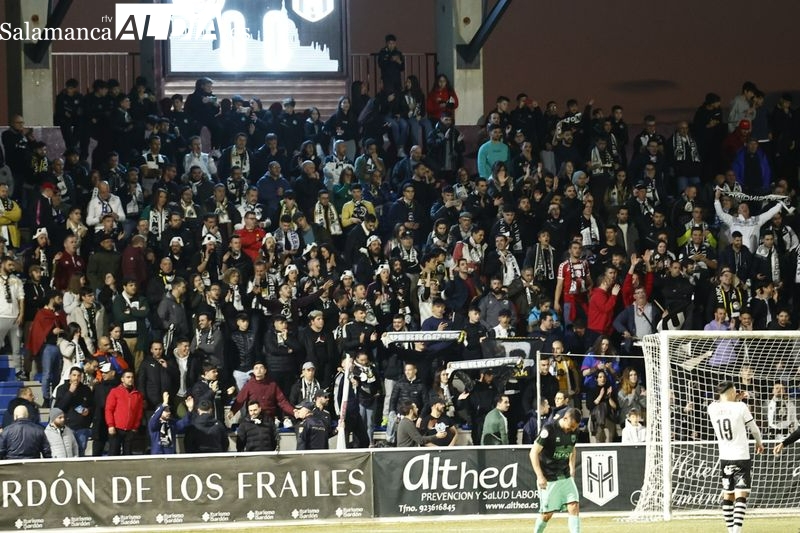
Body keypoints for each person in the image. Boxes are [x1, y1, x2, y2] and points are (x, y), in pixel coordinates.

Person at [707, 381, 764, 533]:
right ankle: (736, 531)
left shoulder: (711, 408)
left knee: (728, 495)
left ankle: (730, 530)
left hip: (725, 457)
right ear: (732, 392)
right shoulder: (741, 407)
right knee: (741, 495)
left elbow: (723, 404)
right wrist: (759, 443)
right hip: (741, 456)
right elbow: (754, 429)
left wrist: (735, 397)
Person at [529, 407, 582, 533]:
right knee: (547, 514)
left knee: (574, 505)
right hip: (549, 478)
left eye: (575, 427)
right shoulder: (549, 430)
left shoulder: (574, 431)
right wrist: (540, 476)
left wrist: (572, 467)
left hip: (565, 476)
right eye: (571, 426)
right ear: (564, 418)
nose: (572, 430)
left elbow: (572, 449)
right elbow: (533, 453)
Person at [104, 369, 144, 456]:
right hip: (116, 429)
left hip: (130, 430)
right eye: (128, 377)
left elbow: (139, 413)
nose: (130, 379)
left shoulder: (138, 395)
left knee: (128, 455)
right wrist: (110, 425)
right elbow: (109, 409)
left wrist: (135, 427)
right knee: (113, 454)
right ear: (122, 379)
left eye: (132, 377)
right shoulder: (115, 391)